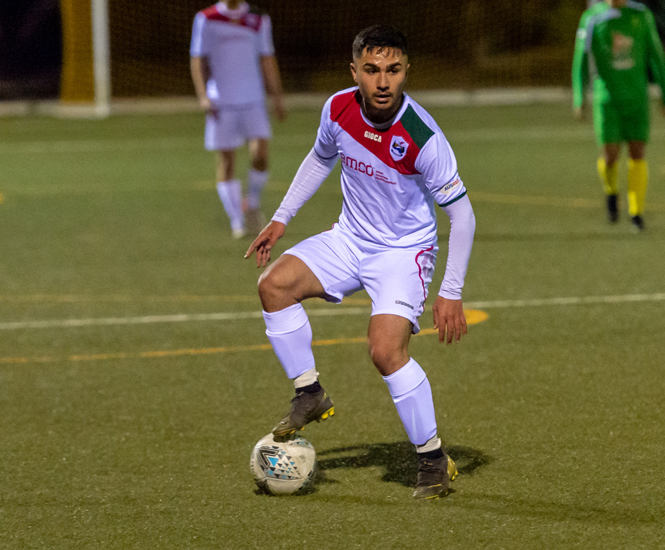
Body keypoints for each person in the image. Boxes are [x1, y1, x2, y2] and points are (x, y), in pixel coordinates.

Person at [244, 25, 476, 500]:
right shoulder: (338, 109)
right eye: (372, 70)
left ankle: (432, 459)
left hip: (403, 252)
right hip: (349, 239)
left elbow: (463, 215)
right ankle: (310, 393)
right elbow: (318, 158)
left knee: (385, 352)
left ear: (406, 71)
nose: (384, 81)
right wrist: (281, 218)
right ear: (355, 72)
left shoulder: (422, 135)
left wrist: (450, 291)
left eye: (393, 70)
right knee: (274, 285)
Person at [572, 0, 665, 231]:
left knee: (638, 152)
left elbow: (656, 54)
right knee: (610, 155)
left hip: (637, 99)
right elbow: (580, 60)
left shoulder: (642, 15)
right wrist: (579, 96)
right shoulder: (592, 18)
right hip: (607, 100)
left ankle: (636, 213)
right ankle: (611, 193)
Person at [190, 0, 286, 238]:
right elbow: (197, 58)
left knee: (260, 155)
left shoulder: (258, 19)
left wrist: (277, 98)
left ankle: (251, 203)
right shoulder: (206, 18)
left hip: (253, 100)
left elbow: (267, 59)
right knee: (226, 162)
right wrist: (203, 96)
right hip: (221, 102)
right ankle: (237, 220)